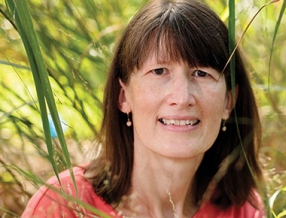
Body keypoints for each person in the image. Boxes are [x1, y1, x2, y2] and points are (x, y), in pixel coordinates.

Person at [22, 0, 265, 217]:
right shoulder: (64, 206)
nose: (182, 98)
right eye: (159, 71)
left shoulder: (242, 209)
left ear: (228, 102)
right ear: (124, 97)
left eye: (201, 73)